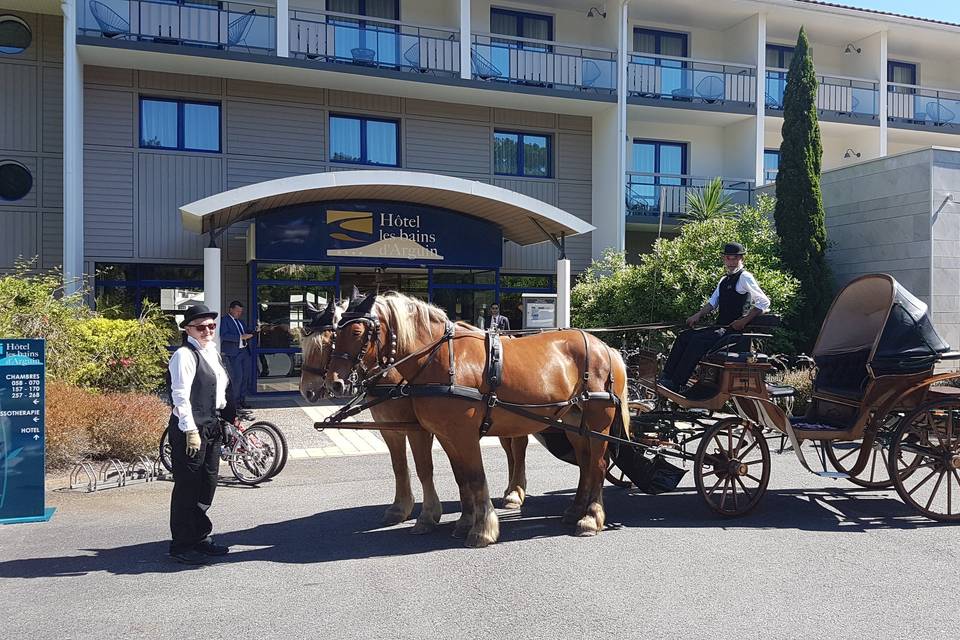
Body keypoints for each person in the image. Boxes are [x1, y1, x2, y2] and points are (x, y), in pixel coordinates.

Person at [167, 304, 237, 565]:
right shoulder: (184, 356)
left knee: (207, 482)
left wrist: (231, 418)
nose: (207, 330)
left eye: (211, 326)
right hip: (191, 428)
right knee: (188, 485)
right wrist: (190, 430)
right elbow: (180, 396)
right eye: (201, 327)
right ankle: (181, 544)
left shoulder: (212, 353)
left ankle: (200, 536)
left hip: (212, 425)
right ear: (188, 330)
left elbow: (221, 392)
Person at [659, 242, 771, 391]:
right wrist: (697, 315)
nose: (730, 262)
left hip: (733, 332)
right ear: (724, 259)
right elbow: (712, 304)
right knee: (684, 336)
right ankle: (667, 376)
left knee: (698, 340)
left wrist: (744, 321)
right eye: (728, 258)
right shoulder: (723, 280)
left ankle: (678, 383)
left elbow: (764, 301)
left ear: (741, 259)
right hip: (720, 328)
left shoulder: (745, 277)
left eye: (734, 259)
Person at [220, 300, 254, 411]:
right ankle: (234, 403)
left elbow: (246, 332)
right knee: (237, 378)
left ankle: (242, 400)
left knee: (245, 377)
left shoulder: (240, 322)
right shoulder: (225, 320)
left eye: (241, 311)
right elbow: (223, 335)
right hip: (234, 353)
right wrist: (240, 338)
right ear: (231, 309)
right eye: (237, 311)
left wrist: (254, 331)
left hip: (244, 351)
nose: (239, 313)